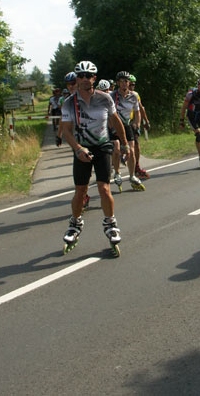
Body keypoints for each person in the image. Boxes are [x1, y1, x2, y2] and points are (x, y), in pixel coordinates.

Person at [59, 61, 130, 255]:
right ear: (76, 78)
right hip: (82, 149)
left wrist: (125, 144)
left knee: (104, 188)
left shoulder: (105, 98)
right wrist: (78, 148)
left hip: (102, 147)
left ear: (94, 78)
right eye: (80, 76)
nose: (84, 79)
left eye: (88, 76)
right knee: (80, 191)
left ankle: (111, 223)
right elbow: (66, 131)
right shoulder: (69, 103)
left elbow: (116, 121)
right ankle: (75, 223)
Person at [110, 71, 145, 191]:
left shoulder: (134, 96)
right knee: (117, 148)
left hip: (127, 125)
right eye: (122, 81)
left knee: (131, 149)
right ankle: (117, 173)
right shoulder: (112, 96)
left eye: (126, 81)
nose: (124, 83)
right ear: (118, 82)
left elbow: (137, 112)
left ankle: (132, 176)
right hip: (114, 125)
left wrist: (137, 123)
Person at [128, 74, 151, 179]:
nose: (132, 87)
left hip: (132, 122)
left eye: (133, 85)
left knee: (136, 145)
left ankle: (136, 166)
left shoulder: (135, 95)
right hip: (121, 122)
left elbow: (141, 108)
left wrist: (146, 121)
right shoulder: (117, 95)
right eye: (130, 84)